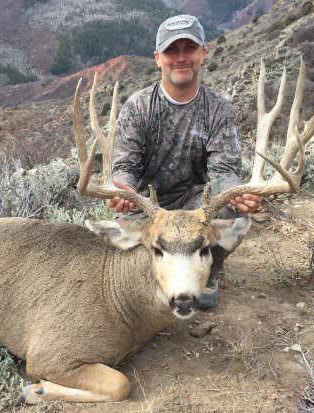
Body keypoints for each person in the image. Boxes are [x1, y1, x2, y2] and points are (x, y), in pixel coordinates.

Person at [108, 15, 262, 305]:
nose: (181, 58)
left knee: (231, 212)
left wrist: (237, 192)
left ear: (203, 53)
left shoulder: (218, 111)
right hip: (147, 206)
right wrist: (123, 190)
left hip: (195, 207)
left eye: (188, 49)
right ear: (157, 58)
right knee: (132, 257)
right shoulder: (138, 108)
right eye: (171, 50)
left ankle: (208, 272)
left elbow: (224, 171)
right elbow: (125, 166)